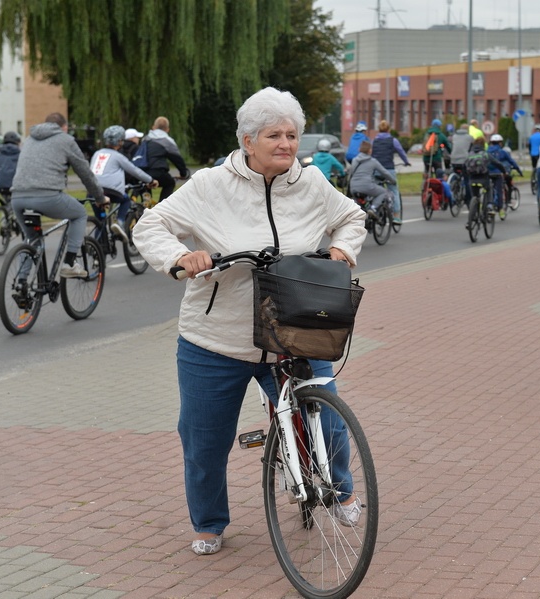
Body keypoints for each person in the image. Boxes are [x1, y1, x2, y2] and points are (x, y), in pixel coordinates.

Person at [132, 87, 367, 556]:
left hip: (295, 330)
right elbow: (149, 226)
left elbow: (352, 216)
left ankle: (340, 491)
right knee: (204, 438)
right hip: (216, 340)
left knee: (329, 419)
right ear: (247, 140)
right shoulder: (209, 186)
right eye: (274, 135)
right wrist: (182, 256)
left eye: (292, 134)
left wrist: (343, 248)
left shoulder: (312, 183)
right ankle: (209, 522)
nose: (286, 143)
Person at [10, 112, 105, 278]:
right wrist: (100, 197)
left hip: (17, 198)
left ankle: (21, 282)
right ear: (64, 127)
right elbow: (85, 173)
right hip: (47, 197)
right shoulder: (66, 140)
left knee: (32, 238)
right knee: (79, 214)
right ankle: (69, 263)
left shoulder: (29, 139)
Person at [89, 125, 158, 242]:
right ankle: (120, 223)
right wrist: (151, 180)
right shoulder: (118, 156)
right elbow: (135, 170)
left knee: (100, 220)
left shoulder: (97, 153)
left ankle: (97, 251)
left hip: (92, 191)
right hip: (110, 191)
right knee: (126, 200)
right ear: (120, 142)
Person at [371, 119, 411, 224]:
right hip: (389, 170)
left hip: (376, 171)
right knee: (394, 191)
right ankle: (396, 216)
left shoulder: (374, 140)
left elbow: (370, 154)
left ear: (379, 129)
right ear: (389, 129)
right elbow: (401, 152)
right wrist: (406, 162)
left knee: (376, 191)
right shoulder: (393, 140)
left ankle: (376, 210)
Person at [141, 116, 190, 201]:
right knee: (170, 183)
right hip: (157, 171)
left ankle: (145, 205)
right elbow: (177, 159)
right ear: (167, 129)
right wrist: (183, 173)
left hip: (142, 171)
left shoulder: (145, 139)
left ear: (153, 127)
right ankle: (161, 207)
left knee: (145, 183)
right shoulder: (168, 141)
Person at [349, 140, 397, 219]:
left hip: (353, 186)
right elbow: (385, 172)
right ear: (369, 150)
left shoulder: (355, 160)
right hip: (367, 186)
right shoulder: (373, 161)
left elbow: (351, 173)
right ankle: (373, 208)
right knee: (383, 192)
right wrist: (393, 181)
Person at [487, 133, 523, 218]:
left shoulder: (486, 151)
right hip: (498, 173)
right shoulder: (502, 152)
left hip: (488, 173)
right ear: (500, 143)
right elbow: (512, 161)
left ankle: (487, 204)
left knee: (488, 189)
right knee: (499, 191)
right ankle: (500, 210)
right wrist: (519, 170)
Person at [449, 123, 474, 195]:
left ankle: (453, 188)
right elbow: (472, 149)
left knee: (454, 174)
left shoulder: (454, 136)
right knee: (467, 179)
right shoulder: (470, 137)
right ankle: (468, 199)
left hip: (453, 159)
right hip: (464, 160)